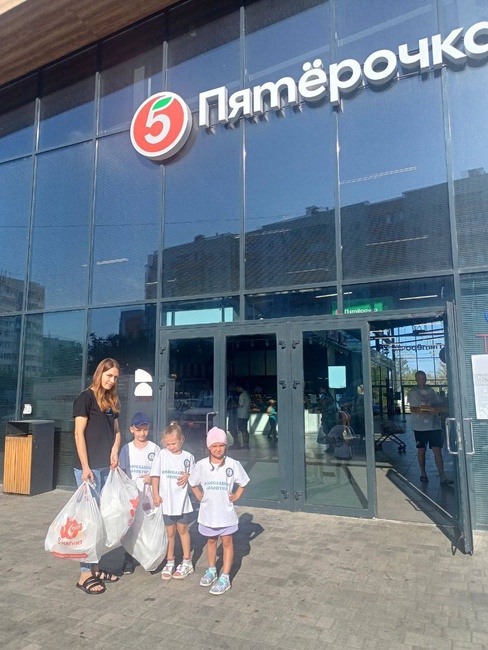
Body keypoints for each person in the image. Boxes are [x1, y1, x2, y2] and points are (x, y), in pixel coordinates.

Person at [73, 358, 121, 595]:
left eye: (115, 377)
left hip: (105, 468)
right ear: (100, 373)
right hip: (89, 470)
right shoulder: (86, 398)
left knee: (99, 521)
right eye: (109, 375)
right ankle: (84, 574)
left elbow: (117, 432)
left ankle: (95, 568)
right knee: (88, 521)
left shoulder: (111, 401)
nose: (111, 380)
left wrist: (115, 450)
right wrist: (85, 466)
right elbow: (78, 433)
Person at [189, 426, 250, 595]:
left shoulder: (233, 464)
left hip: (226, 514)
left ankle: (225, 577)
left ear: (226, 446)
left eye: (221, 445)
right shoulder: (201, 465)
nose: (218, 449)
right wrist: (198, 495)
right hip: (208, 513)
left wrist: (237, 495)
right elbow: (193, 482)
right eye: (214, 446)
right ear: (208, 447)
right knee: (211, 541)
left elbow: (243, 482)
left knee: (227, 542)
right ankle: (211, 569)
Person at [151, 421, 195, 580]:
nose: (170, 447)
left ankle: (187, 561)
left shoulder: (188, 457)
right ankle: (170, 561)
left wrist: (189, 475)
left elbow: (196, 476)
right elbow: (155, 476)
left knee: (183, 530)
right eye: (167, 444)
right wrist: (155, 494)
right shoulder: (162, 455)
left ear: (181, 440)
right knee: (169, 532)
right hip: (166, 501)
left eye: (173, 443)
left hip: (182, 502)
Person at [118, 411, 160, 575]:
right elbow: (122, 472)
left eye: (145, 429)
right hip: (132, 495)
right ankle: (128, 557)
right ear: (131, 430)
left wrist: (152, 477)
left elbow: (159, 471)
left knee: (147, 525)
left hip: (147, 495)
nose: (142, 433)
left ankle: (147, 556)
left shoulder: (154, 449)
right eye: (138, 430)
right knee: (131, 526)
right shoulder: (126, 449)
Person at [408, 370, 453, 486]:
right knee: (421, 450)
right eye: (419, 379)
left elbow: (440, 402)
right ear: (416, 379)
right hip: (420, 427)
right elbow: (413, 409)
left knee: (437, 450)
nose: (422, 381)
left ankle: (442, 476)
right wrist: (428, 410)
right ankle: (423, 473)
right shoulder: (413, 392)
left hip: (434, 426)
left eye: (423, 378)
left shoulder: (431, 391)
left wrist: (437, 408)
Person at [236, 384, 251, 450]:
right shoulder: (247, 395)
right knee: (245, 430)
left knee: (243, 430)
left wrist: (235, 405)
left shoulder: (242, 395)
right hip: (246, 414)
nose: (237, 389)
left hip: (241, 415)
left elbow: (241, 405)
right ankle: (246, 444)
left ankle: (245, 445)